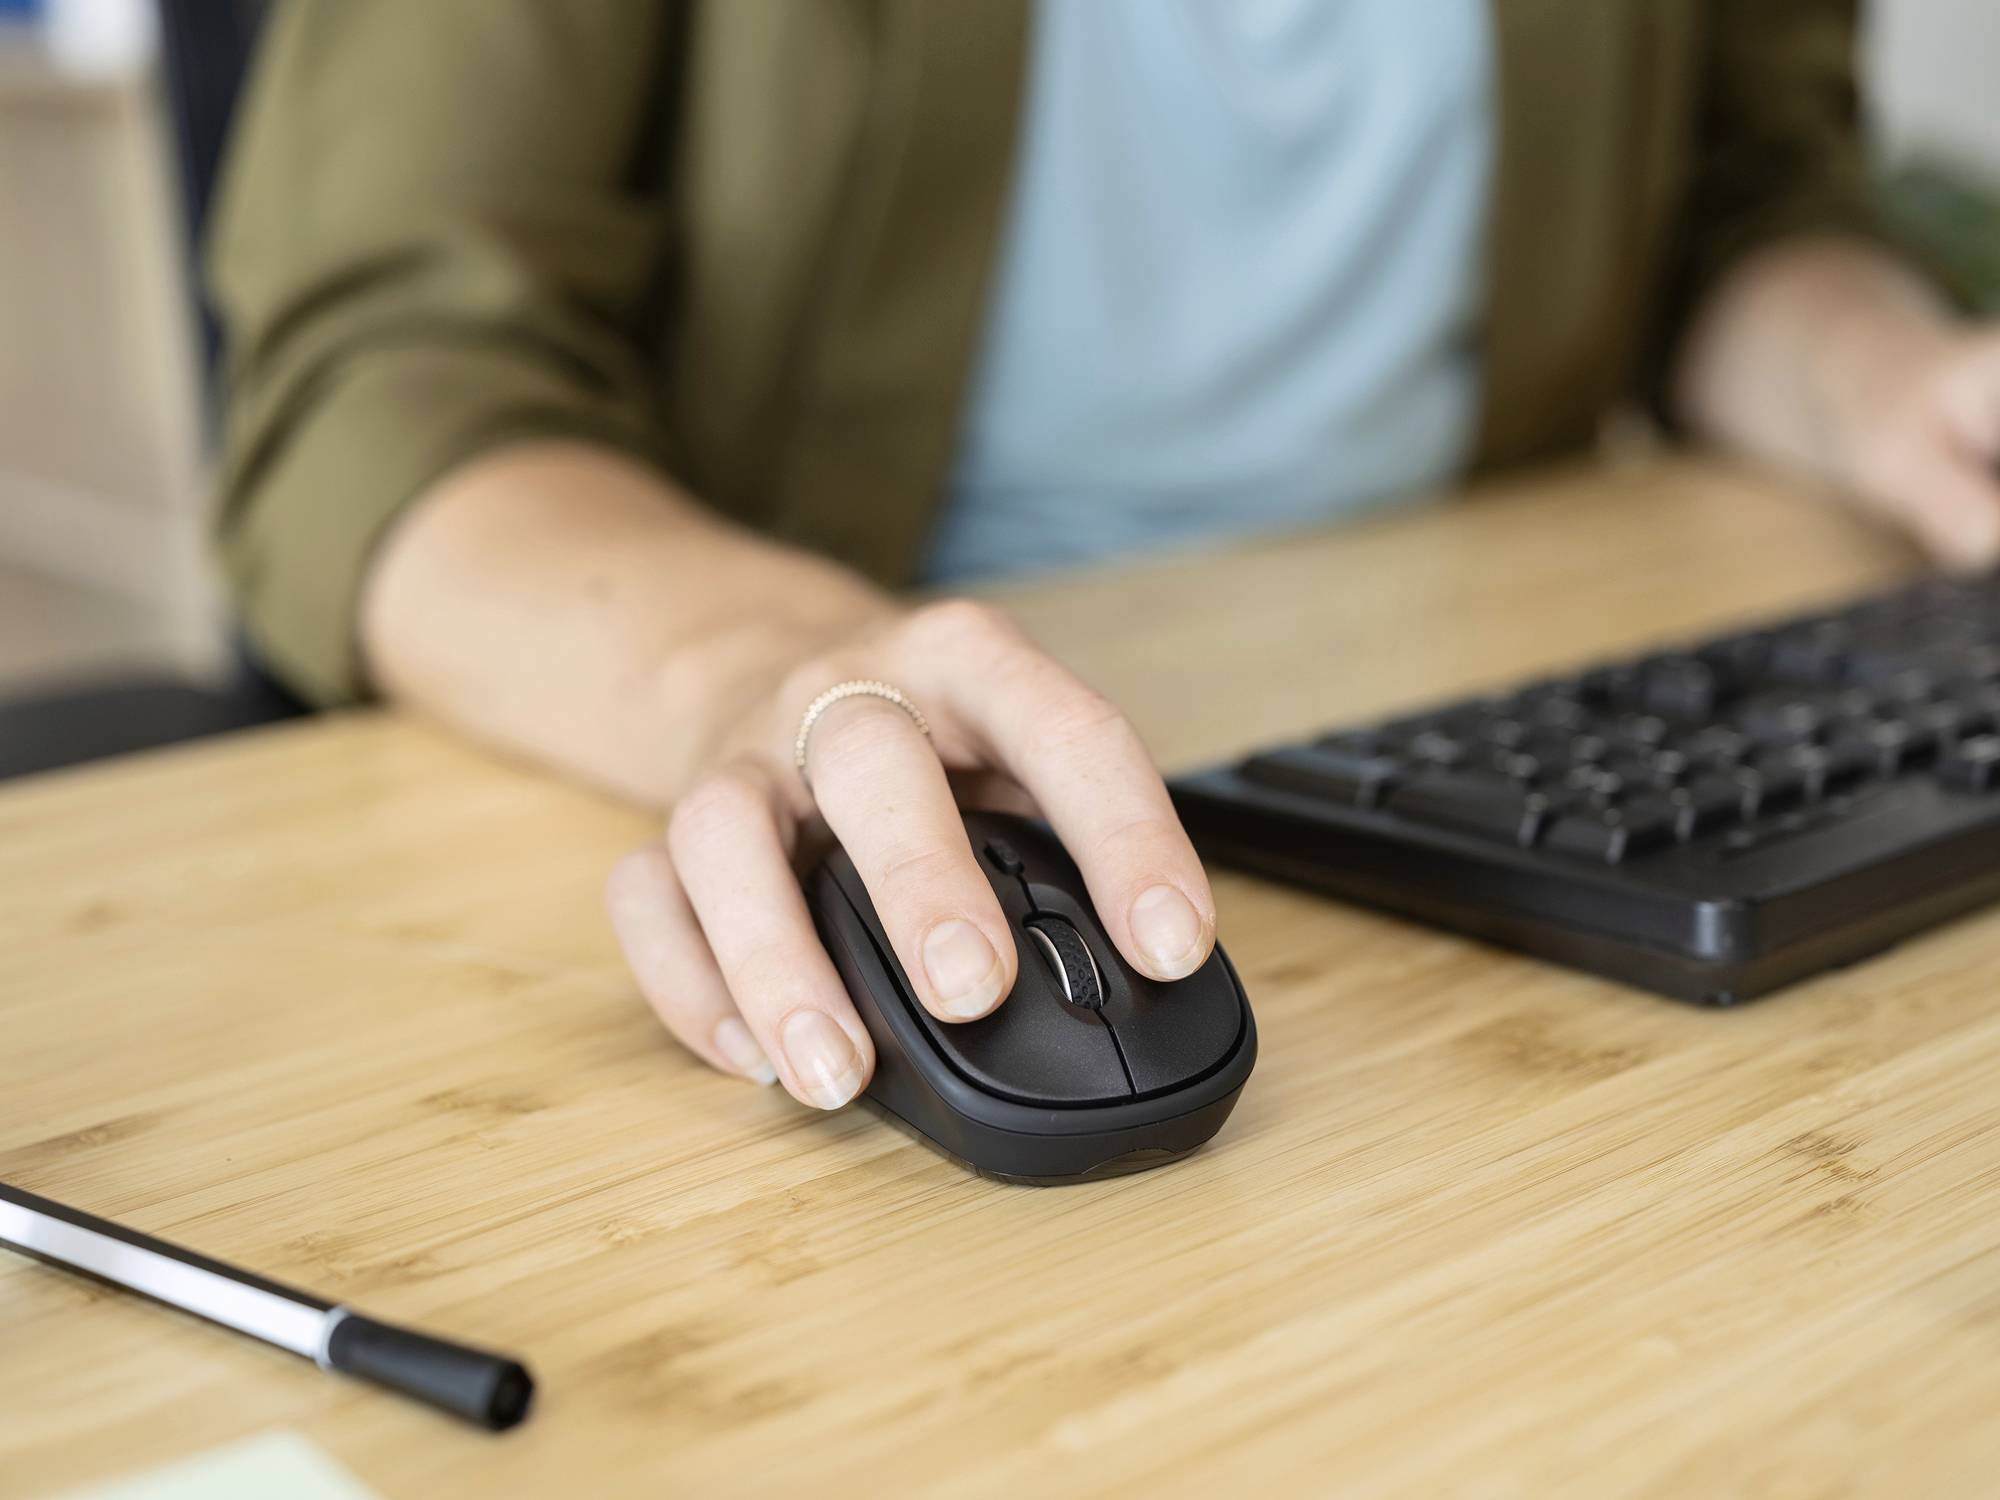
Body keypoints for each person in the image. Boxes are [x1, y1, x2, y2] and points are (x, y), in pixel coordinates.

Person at [210, 1, 2000, 1113]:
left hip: (1465, 689)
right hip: (833, 682)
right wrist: (768, 672)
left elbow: (1747, 203)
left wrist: (1889, 381)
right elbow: (377, 376)